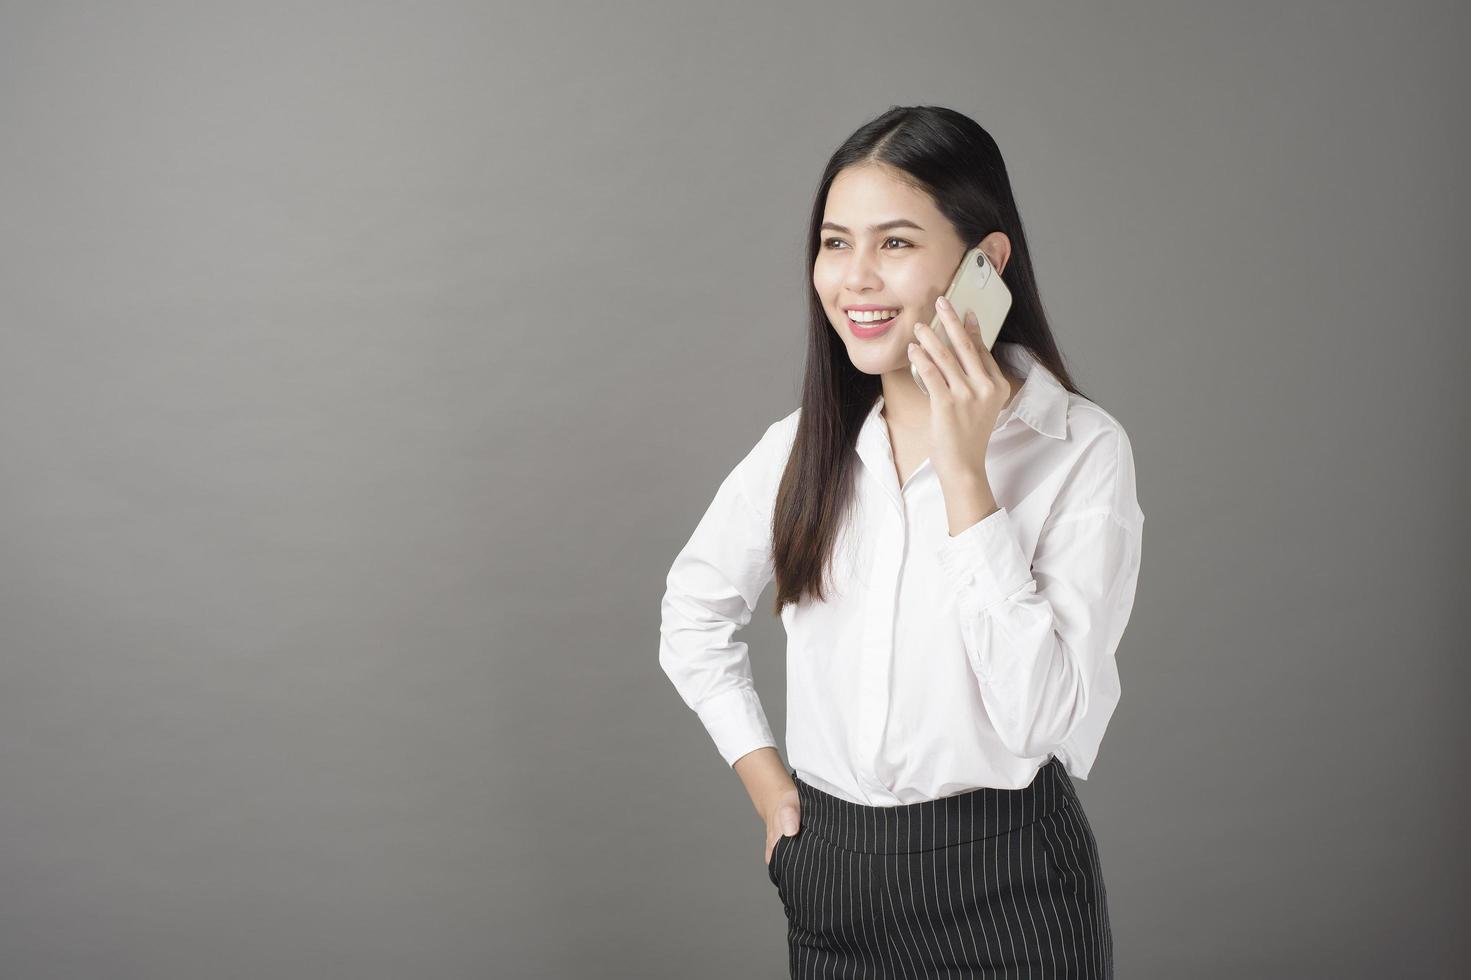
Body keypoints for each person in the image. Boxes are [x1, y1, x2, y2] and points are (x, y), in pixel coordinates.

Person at [658, 104, 1144, 979]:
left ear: (983, 265)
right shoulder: (802, 447)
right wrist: (771, 790)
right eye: (835, 243)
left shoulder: (1079, 449)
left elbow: (1044, 721)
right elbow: (691, 614)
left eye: (894, 244)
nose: (854, 279)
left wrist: (966, 478)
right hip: (832, 890)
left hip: (1008, 886)